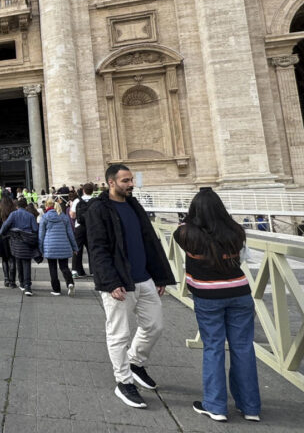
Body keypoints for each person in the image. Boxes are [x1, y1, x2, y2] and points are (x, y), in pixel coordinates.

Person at [86, 164, 176, 410]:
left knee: (155, 325)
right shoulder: (98, 209)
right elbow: (97, 248)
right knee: (119, 334)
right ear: (111, 182)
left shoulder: (134, 205)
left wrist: (159, 276)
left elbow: (149, 242)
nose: (131, 184)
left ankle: (135, 362)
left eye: (131, 180)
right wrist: (110, 281)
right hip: (119, 283)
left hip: (145, 278)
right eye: (126, 180)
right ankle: (123, 381)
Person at [173, 188, 260, 423]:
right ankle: (250, 407)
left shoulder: (186, 234)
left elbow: (181, 230)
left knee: (213, 347)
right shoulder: (236, 231)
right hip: (239, 293)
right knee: (243, 347)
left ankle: (215, 405)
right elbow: (241, 258)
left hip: (209, 296)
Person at [0, 197, 39, 296]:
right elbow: (35, 229)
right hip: (27, 242)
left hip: (16, 242)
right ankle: (27, 286)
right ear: (25, 206)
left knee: (18, 261)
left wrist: (2, 233)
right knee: (27, 263)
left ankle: (21, 283)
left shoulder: (13, 214)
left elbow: (5, 226)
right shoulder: (30, 216)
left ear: (17, 206)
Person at [40, 197, 77, 296]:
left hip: (50, 246)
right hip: (63, 245)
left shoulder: (45, 217)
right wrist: (75, 247)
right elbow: (70, 233)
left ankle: (56, 290)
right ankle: (70, 283)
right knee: (64, 267)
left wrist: (40, 248)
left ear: (47, 206)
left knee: (53, 268)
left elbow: (41, 235)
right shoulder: (64, 217)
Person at [0, 195, 18, 288]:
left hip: (1, 239)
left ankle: (6, 279)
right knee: (12, 259)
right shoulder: (14, 213)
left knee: (4, 260)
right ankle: (12, 281)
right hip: (13, 238)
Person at [71, 182, 97, 278]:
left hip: (79, 227)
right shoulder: (96, 201)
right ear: (92, 191)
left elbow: (72, 215)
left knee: (77, 249)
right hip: (92, 227)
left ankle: (76, 270)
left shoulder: (77, 200)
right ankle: (94, 271)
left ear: (83, 190)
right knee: (92, 249)